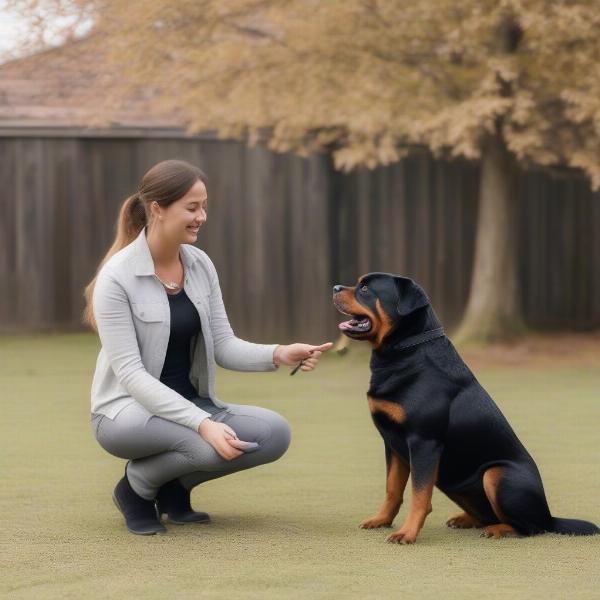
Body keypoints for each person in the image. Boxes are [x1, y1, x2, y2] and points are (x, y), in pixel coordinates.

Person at [82, 159, 332, 535]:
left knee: (274, 433)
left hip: (190, 406)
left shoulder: (200, 265)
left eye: (204, 205)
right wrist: (202, 424)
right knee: (207, 445)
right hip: (123, 415)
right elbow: (131, 375)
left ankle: (174, 489)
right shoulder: (116, 278)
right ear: (157, 209)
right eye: (192, 207)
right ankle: (136, 487)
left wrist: (279, 353)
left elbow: (224, 345)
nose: (202, 216)